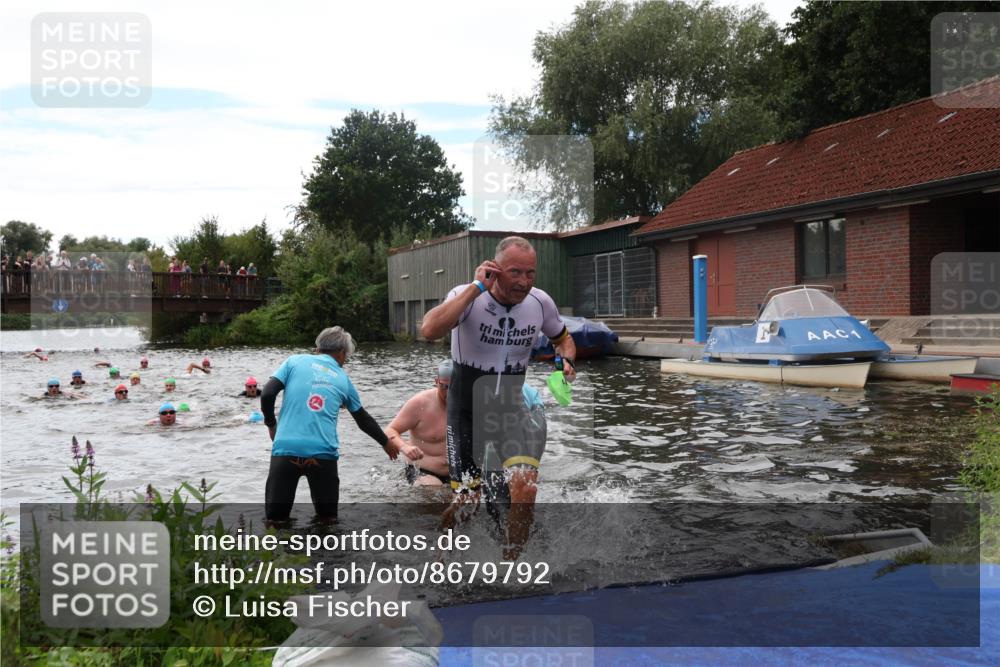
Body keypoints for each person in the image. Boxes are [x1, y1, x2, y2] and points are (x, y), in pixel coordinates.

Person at [420, 236, 575, 553]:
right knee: (468, 502)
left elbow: (564, 339)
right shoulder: (467, 296)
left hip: (510, 410)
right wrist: (475, 288)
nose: (524, 281)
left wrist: (566, 361)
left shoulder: (540, 303)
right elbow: (429, 330)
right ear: (495, 269)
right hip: (466, 412)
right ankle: (441, 556)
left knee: (525, 488)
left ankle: (512, 565)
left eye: (530, 273)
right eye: (515, 272)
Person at [259, 326, 404, 525]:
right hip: (322, 456)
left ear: (317, 349)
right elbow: (363, 419)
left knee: (275, 522)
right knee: (327, 522)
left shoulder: (293, 362)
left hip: (285, 450)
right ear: (342, 353)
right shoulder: (343, 379)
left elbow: (267, 394)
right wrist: (385, 443)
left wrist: (271, 424)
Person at [383, 360, 453, 486]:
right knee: (432, 488)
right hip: (423, 471)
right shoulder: (420, 403)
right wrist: (405, 447)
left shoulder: (470, 403)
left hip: (457, 473)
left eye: (453, 387)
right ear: (436, 382)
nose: (448, 392)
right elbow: (390, 430)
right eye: (444, 386)